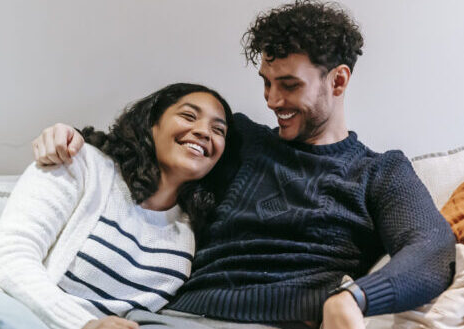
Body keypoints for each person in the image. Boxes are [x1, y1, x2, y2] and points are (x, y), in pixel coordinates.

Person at [31, 1, 456, 329]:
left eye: (289, 85)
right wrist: (75, 141)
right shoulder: (239, 140)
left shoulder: (381, 173)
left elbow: (433, 250)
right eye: (267, 83)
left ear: (339, 80)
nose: (273, 101)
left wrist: (353, 298)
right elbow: (145, 143)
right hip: (175, 317)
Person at [0, 83, 234, 329]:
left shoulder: (187, 237)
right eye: (188, 116)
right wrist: (83, 324)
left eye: (218, 130)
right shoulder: (80, 163)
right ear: (153, 124)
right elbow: (5, 260)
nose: (204, 132)